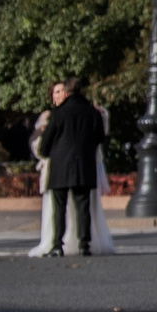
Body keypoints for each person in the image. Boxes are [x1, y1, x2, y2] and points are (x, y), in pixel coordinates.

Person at [33, 81, 111, 258]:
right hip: (84, 164)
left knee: (59, 207)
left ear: (67, 93)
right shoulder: (92, 113)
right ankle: (84, 244)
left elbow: (45, 144)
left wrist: (48, 152)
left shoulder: (58, 114)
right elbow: (100, 137)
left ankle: (57, 245)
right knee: (83, 206)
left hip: (60, 165)